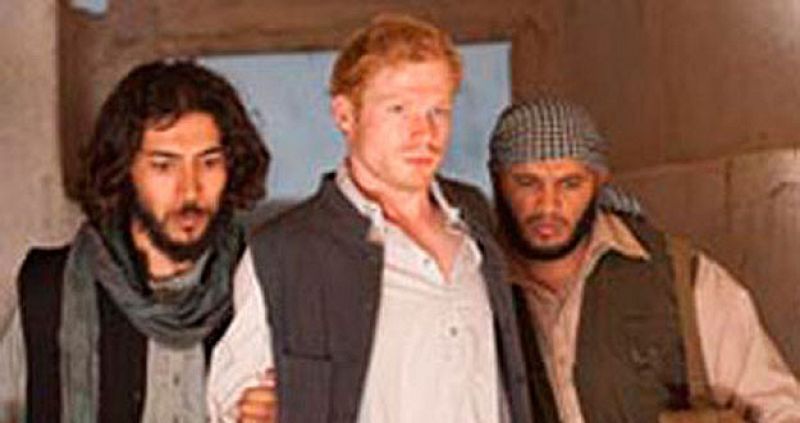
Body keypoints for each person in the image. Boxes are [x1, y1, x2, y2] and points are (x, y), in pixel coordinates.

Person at [207, 14, 549, 423]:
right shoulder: (281, 252)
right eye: (399, 109)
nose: (424, 133)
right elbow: (234, 401)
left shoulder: (475, 219)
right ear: (345, 115)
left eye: (438, 111)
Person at [488, 96, 800, 422]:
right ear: (497, 181)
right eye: (527, 182)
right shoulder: (477, 290)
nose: (548, 205)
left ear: (599, 182)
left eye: (570, 184)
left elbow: (778, 410)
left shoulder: (680, 278)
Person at [0, 60, 270, 422]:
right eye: (164, 166)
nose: (190, 190)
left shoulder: (267, 287)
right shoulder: (48, 290)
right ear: (124, 169)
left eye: (208, 163)